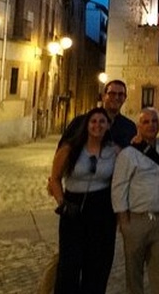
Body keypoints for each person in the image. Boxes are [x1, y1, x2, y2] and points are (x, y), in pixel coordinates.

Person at [48, 107, 118, 294]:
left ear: (108, 125)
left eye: (102, 121)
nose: (97, 125)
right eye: (93, 121)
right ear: (86, 125)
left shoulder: (114, 151)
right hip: (73, 209)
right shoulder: (70, 148)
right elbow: (54, 178)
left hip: (102, 211)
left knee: (97, 265)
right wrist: (62, 203)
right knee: (69, 265)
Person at [112, 107, 159, 294]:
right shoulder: (128, 154)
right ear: (138, 126)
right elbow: (119, 188)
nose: (151, 125)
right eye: (146, 122)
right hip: (136, 220)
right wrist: (124, 222)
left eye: (154, 121)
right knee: (134, 271)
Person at [61, 80, 137, 149]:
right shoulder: (80, 122)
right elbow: (63, 148)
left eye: (120, 94)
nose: (116, 97)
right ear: (104, 97)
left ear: (125, 98)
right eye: (112, 94)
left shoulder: (129, 127)